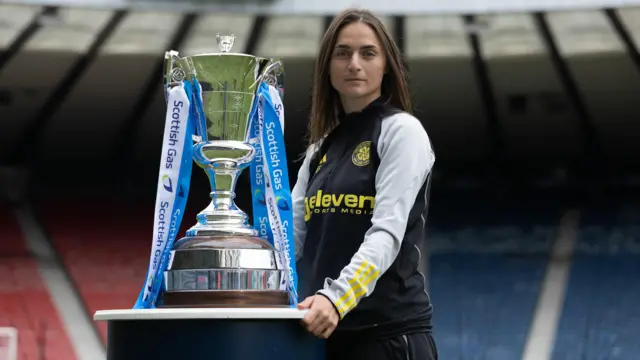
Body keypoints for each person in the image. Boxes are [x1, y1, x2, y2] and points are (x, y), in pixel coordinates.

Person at [291, 7, 438, 360]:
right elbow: (289, 240)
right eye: (342, 53)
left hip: (388, 336)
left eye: (368, 53)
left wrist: (336, 298)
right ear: (327, 66)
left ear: (386, 65)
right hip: (327, 337)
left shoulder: (402, 132)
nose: (354, 63)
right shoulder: (318, 150)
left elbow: (386, 234)